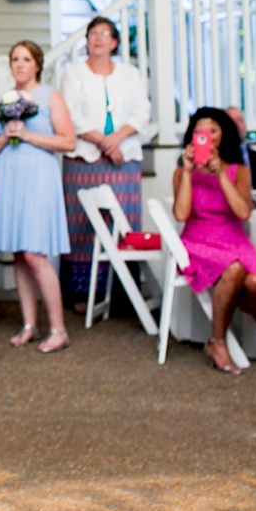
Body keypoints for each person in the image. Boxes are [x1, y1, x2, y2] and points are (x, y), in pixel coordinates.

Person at [0, 40, 76, 354]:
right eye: (14, 60)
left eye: (25, 59)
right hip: (9, 175)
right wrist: (6, 136)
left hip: (38, 177)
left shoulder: (51, 97)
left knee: (35, 254)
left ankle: (59, 329)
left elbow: (68, 141)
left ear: (37, 64)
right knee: (19, 254)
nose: (19, 65)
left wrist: (28, 135)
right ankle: (30, 324)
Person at [172, 107, 256, 375]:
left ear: (223, 135)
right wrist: (188, 173)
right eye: (200, 131)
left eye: (213, 131)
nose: (207, 137)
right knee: (234, 268)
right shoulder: (181, 173)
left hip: (233, 238)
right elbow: (180, 214)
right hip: (198, 240)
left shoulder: (239, 171)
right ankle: (218, 342)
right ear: (192, 137)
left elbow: (243, 212)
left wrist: (219, 173)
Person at [59, 17, 152, 310]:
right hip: (83, 160)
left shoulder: (131, 74)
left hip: (123, 158)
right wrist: (103, 142)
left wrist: (115, 141)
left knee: (123, 222)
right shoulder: (73, 74)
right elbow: (71, 115)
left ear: (114, 42)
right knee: (82, 224)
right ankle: (83, 293)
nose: (97, 39)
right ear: (87, 41)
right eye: (92, 34)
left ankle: (124, 294)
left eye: (104, 34)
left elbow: (142, 110)